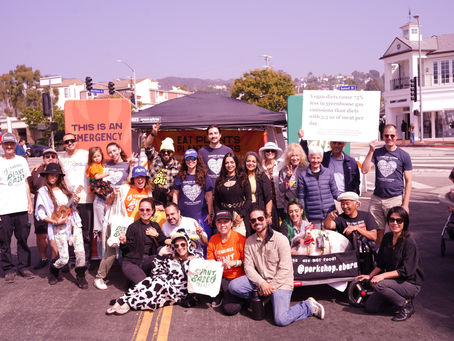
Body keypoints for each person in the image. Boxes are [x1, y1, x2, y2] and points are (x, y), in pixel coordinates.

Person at [228, 206, 325, 325]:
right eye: (253, 220)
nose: (257, 222)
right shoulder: (249, 241)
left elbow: (285, 269)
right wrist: (262, 284)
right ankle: (263, 299)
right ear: (250, 223)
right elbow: (248, 267)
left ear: (267, 219)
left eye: (260, 218)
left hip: (281, 282)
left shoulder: (281, 239)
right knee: (234, 286)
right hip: (262, 281)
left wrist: (269, 287)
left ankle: (308, 306)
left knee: (281, 319)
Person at [106, 230, 202, 315]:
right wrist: (160, 255)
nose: (180, 248)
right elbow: (156, 272)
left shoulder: (196, 259)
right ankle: (121, 300)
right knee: (149, 281)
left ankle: (129, 303)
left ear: (188, 244)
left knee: (156, 287)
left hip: (179, 292)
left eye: (183, 244)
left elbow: (200, 277)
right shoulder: (172, 258)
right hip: (165, 286)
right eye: (176, 245)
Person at [356, 207, 424, 322]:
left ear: (405, 222)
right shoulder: (387, 237)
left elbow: (406, 271)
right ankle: (393, 299)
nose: (395, 223)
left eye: (399, 220)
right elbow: (381, 262)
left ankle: (406, 305)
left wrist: (382, 276)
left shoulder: (409, 242)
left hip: (410, 283)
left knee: (380, 285)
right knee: (370, 307)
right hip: (393, 282)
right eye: (392, 220)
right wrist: (370, 276)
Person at [35, 163, 88, 288]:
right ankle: (53, 270)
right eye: (50, 174)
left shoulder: (65, 189)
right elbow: (41, 214)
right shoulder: (43, 192)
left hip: (73, 223)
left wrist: (75, 202)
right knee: (64, 258)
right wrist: (55, 222)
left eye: (56, 175)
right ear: (46, 176)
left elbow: (71, 207)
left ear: (59, 176)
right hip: (58, 226)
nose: (53, 177)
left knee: (80, 252)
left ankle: (81, 276)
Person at [362, 124, 412, 245]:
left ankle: (396, 258)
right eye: (386, 135)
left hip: (395, 199)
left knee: (397, 231)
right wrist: (370, 151)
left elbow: (409, 181)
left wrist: (405, 204)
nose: (389, 137)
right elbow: (364, 170)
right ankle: (379, 257)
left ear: (396, 136)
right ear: (383, 137)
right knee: (377, 232)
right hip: (377, 198)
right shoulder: (377, 153)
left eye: (392, 135)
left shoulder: (404, 155)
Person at [92, 142, 132, 290]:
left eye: (115, 150)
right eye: (110, 152)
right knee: (108, 238)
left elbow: (131, 182)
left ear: (120, 150)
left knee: (123, 237)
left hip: (123, 206)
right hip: (107, 203)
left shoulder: (128, 165)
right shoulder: (105, 166)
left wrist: (132, 166)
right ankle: (100, 275)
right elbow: (95, 181)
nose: (113, 154)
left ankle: (126, 271)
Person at [0, 133, 34, 283]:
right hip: (4, 209)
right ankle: (8, 269)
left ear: (15, 145)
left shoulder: (21, 161)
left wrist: (29, 202)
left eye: (11, 144)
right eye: (6, 144)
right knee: (4, 241)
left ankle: (23, 266)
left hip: (21, 207)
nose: (9, 146)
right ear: (2, 146)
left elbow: (26, 182)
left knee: (23, 238)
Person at [59, 133, 94, 265]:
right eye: (66, 142)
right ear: (63, 145)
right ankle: (71, 259)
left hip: (86, 199)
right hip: (69, 201)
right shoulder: (61, 158)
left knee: (86, 232)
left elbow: (99, 164)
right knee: (69, 231)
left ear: (76, 141)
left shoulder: (86, 154)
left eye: (71, 140)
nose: (69, 143)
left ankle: (86, 260)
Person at [173, 149, 214, 251]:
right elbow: (175, 194)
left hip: (201, 217)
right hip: (184, 217)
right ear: (185, 160)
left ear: (197, 160)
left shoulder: (204, 176)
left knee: (203, 244)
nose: (190, 161)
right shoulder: (180, 176)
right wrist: (175, 213)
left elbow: (209, 196)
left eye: (193, 158)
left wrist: (210, 214)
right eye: (188, 158)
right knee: (185, 245)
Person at [206, 211, 246, 314]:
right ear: (216, 224)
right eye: (220, 222)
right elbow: (209, 261)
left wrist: (235, 263)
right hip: (221, 277)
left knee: (231, 309)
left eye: (226, 222)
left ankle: (233, 295)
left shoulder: (240, 239)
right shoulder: (213, 240)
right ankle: (221, 292)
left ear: (231, 223)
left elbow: (248, 262)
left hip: (237, 277)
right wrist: (218, 264)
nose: (223, 225)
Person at [119, 198, 167, 285]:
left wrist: (157, 235)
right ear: (139, 210)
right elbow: (126, 251)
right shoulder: (133, 227)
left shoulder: (155, 226)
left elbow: (164, 242)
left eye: (148, 209)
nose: (145, 212)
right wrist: (124, 243)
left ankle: (137, 279)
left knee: (165, 261)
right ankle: (134, 279)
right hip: (132, 262)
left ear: (152, 211)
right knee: (145, 286)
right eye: (142, 210)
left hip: (147, 261)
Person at [298, 129, 359, 195]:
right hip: (327, 196)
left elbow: (356, 182)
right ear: (330, 143)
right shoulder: (324, 157)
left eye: (339, 143)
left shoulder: (351, 162)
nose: (336, 145)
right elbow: (306, 155)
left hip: (344, 198)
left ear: (344, 145)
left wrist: (353, 197)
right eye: (334, 143)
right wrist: (303, 140)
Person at [28, 148, 59, 269]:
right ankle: (43, 258)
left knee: (57, 235)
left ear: (57, 158)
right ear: (43, 158)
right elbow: (31, 187)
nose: (50, 158)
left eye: (53, 156)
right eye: (47, 156)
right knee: (41, 234)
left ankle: (55, 259)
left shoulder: (60, 170)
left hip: (56, 208)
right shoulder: (36, 171)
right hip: (40, 207)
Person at [297, 145, 339, 228]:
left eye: (318, 158)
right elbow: (301, 198)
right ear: (309, 158)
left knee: (329, 239)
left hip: (329, 215)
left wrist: (347, 199)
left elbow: (335, 192)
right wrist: (303, 215)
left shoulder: (328, 173)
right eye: (313, 158)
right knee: (315, 239)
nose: (315, 160)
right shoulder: (302, 176)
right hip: (312, 217)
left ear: (322, 159)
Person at [214, 153, 251, 236]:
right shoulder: (219, 180)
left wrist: (241, 215)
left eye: (232, 162)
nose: (229, 165)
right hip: (224, 217)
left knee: (239, 241)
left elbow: (249, 199)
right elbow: (216, 201)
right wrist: (220, 217)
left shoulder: (243, 178)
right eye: (226, 163)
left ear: (236, 163)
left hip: (239, 216)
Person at [144, 123, 180, 205]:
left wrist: (172, 193)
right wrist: (153, 133)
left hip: (168, 202)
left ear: (173, 153)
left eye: (169, 152)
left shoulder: (178, 166)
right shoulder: (156, 158)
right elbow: (147, 145)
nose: (166, 154)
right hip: (152, 200)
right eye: (163, 151)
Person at [243, 151, 275, 229]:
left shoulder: (262, 177)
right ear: (245, 162)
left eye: (253, 161)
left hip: (261, 210)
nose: (251, 163)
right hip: (246, 211)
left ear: (257, 163)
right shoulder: (241, 177)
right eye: (248, 161)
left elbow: (268, 197)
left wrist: (268, 215)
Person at [278, 143, 308, 218]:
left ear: (301, 156)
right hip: (289, 205)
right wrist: (287, 178)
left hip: (303, 205)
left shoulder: (305, 169)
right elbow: (282, 189)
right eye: (292, 155)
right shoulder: (284, 171)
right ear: (289, 157)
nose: (295, 158)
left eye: (297, 155)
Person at [258, 141, 283, 220]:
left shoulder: (281, 165)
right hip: (267, 203)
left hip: (281, 201)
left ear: (275, 153)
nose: (270, 152)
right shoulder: (260, 168)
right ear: (264, 153)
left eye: (272, 151)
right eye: (267, 151)